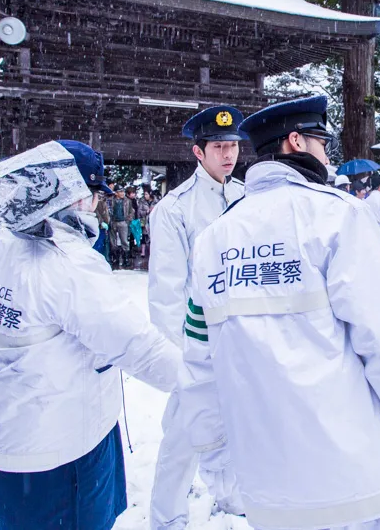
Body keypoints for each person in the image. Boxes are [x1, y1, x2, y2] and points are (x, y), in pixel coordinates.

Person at [180, 95, 380, 530]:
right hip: (356, 481)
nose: (327, 155)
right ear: (296, 141)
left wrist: (216, 459)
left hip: (268, 486)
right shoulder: (337, 217)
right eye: (322, 142)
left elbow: (199, 364)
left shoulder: (213, 240)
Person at [0, 140, 181, 530]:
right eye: (93, 196)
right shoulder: (66, 263)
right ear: (74, 196)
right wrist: (204, 381)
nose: (94, 206)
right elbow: (137, 346)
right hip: (61, 448)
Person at [148, 105, 247, 529]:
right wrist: (188, 353)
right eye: (219, 146)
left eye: (233, 146)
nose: (228, 155)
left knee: (235, 421)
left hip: (241, 334)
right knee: (185, 432)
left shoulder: (247, 197)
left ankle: (228, 494)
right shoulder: (174, 210)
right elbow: (167, 292)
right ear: (197, 152)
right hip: (198, 339)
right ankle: (166, 514)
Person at [110, 186, 135, 269]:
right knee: (113, 241)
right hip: (113, 222)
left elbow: (131, 211)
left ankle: (126, 259)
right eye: (120, 191)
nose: (122, 193)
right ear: (116, 193)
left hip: (123, 222)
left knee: (124, 240)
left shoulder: (127, 201)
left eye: (123, 191)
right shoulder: (111, 200)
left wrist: (127, 220)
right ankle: (115, 258)